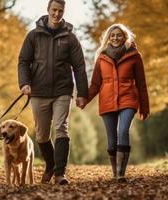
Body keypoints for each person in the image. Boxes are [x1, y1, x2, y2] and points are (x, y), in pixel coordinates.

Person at [18, 0, 88, 185]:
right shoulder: (33, 36)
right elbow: (23, 61)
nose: (57, 14)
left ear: (64, 11)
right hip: (38, 91)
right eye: (54, 10)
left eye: (60, 10)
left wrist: (82, 93)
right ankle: (50, 164)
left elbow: (80, 67)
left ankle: (60, 173)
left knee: (60, 128)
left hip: (62, 91)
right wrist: (24, 83)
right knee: (41, 134)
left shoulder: (70, 38)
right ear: (48, 10)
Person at [82, 24, 150, 182]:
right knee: (111, 139)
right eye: (112, 35)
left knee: (123, 131)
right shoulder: (101, 57)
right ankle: (114, 173)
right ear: (108, 37)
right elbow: (95, 84)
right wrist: (85, 99)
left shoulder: (134, 55)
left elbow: (141, 83)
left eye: (119, 35)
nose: (115, 38)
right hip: (107, 100)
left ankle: (121, 174)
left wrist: (144, 107)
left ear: (125, 37)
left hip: (128, 99)